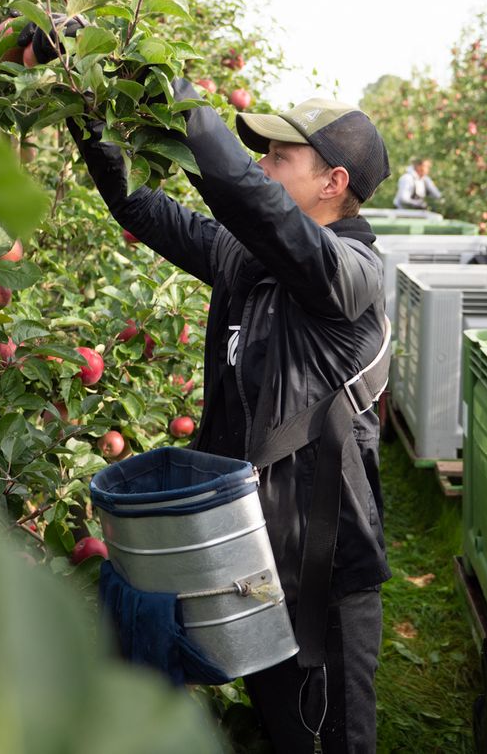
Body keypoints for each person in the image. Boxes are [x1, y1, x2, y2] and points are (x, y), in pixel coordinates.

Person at [65, 77, 393, 753]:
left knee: (326, 738)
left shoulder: (352, 275)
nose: (264, 170)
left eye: (279, 158)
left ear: (333, 182)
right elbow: (140, 207)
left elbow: (260, 210)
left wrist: (184, 104)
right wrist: (85, 98)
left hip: (321, 576)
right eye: (261, 157)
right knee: (277, 722)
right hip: (248, 557)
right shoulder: (248, 261)